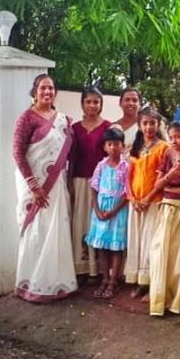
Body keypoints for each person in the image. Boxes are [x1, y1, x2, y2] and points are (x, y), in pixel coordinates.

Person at [11, 74, 78, 303]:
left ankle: (58, 283)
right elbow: (18, 153)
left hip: (56, 185)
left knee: (56, 229)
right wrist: (34, 187)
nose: (47, 92)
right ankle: (32, 284)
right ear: (35, 92)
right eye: (43, 88)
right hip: (34, 187)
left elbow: (70, 155)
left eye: (51, 88)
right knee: (36, 231)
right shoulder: (26, 118)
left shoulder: (64, 121)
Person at [147, 121, 180, 316]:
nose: (174, 141)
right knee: (161, 252)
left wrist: (168, 189)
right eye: (171, 137)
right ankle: (161, 297)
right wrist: (170, 176)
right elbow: (158, 184)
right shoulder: (168, 154)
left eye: (178, 137)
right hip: (166, 209)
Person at [124, 106, 168, 296]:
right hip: (135, 203)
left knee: (150, 240)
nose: (149, 127)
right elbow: (128, 176)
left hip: (154, 201)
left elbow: (163, 177)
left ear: (158, 125)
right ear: (139, 125)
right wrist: (132, 198)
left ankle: (149, 282)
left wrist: (148, 198)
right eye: (145, 123)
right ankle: (136, 279)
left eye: (152, 123)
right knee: (136, 239)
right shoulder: (135, 148)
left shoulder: (164, 148)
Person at [69, 86, 110, 282]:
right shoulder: (75, 128)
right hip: (79, 181)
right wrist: (69, 182)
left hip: (101, 184)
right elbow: (72, 157)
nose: (92, 105)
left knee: (98, 224)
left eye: (96, 102)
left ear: (101, 105)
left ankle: (98, 269)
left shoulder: (108, 127)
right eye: (88, 101)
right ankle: (81, 268)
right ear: (82, 104)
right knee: (80, 222)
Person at [85, 127, 130, 300]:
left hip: (118, 211)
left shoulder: (125, 167)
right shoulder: (101, 165)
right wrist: (97, 210)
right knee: (102, 247)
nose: (113, 148)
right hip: (101, 210)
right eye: (109, 144)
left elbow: (127, 193)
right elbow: (94, 188)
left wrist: (113, 211)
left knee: (116, 248)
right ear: (105, 147)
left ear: (123, 146)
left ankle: (113, 281)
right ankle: (104, 279)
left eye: (116, 144)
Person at [115, 88, 143, 152]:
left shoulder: (147, 126)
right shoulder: (113, 127)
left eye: (135, 100)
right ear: (120, 103)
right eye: (127, 100)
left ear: (140, 105)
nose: (131, 103)